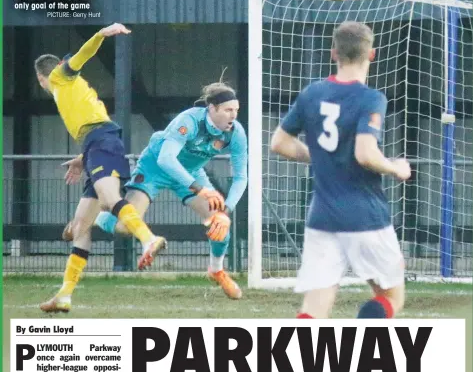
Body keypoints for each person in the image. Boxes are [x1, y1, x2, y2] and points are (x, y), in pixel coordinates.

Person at [270, 21, 411, 319]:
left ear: (334, 53)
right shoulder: (371, 98)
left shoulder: (312, 93)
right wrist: (395, 168)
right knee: (391, 296)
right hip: (365, 215)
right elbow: (365, 153)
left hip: (322, 217)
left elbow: (279, 143)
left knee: (314, 308)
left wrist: (322, 157)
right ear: (372, 54)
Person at [35, 23, 166, 314]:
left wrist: (100, 34)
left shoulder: (59, 77)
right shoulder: (67, 92)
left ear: (40, 78)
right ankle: (65, 295)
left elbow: (80, 56)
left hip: (102, 141)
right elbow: (89, 120)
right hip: (95, 146)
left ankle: (149, 239)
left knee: (108, 200)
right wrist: (83, 158)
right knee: (80, 226)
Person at [83, 81, 248, 299]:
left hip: (190, 174)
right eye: (228, 110)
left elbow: (241, 177)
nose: (233, 115)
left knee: (219, 222)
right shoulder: (188, 121)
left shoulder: (235, 133)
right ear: (212, 108)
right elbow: (166, 159)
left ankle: (216, 270)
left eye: (236, 110)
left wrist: (226, 212)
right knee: (124, 227)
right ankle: (97, 216)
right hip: (155, 168)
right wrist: (200, 189)